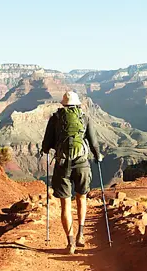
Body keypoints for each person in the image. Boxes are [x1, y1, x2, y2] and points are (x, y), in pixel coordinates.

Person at [41, 91, 103, 254]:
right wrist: (98, 156)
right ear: (77, 104)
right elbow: (93, 141)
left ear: (63, 104)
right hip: (82, 163)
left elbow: (46, 145)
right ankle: (80, 234)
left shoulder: (55, 118)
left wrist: (51, 148)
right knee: (81, 198)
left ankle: (70, 243)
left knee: (65, 204)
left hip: (62, 165)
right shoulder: (84, 117)